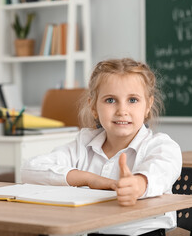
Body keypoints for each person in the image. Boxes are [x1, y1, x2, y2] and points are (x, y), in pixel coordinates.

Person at [21, 58, 182, 236]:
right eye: (111, 100)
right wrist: (90, 179)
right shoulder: (83, 144)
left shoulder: (162, 146)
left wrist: (138, 184)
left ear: (148, 105)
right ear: (93, 106)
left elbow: (161, 171)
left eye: (133, 100)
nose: (122, 110)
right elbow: (30, 169)